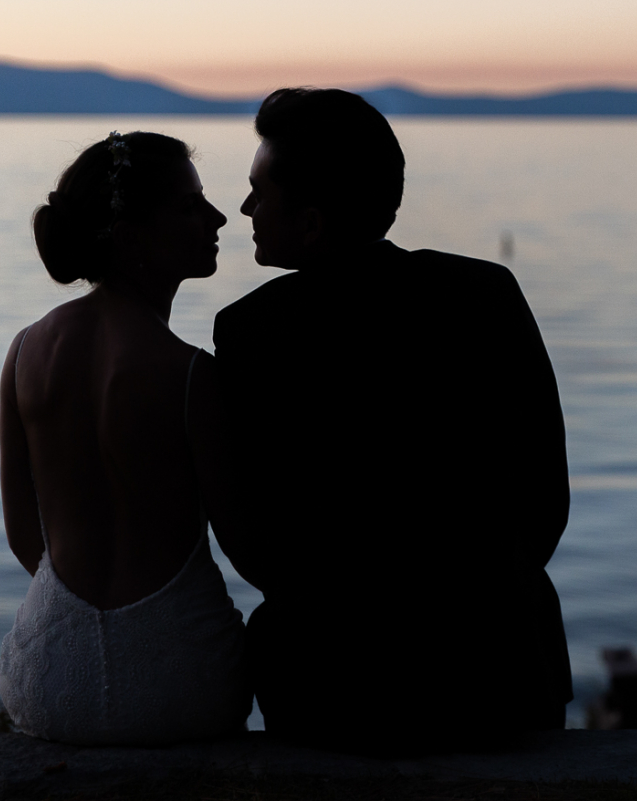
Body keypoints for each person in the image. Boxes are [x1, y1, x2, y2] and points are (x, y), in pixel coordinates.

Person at [211, 88, 571, 754]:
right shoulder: (486, 294)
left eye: (259, 191)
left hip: (327, 688)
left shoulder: (251, 331)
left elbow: (250, 537)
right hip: (502, 673)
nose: (245, 208)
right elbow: (545, 499)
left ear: (313, 222)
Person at [0, 131, 251, 746]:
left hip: (49, 676)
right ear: (133, 233)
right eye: (191, 206)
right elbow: (249, 548)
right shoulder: (193, 374)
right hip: (180, 678)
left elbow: (25, 537)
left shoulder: (25, 351)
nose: (217, 217)